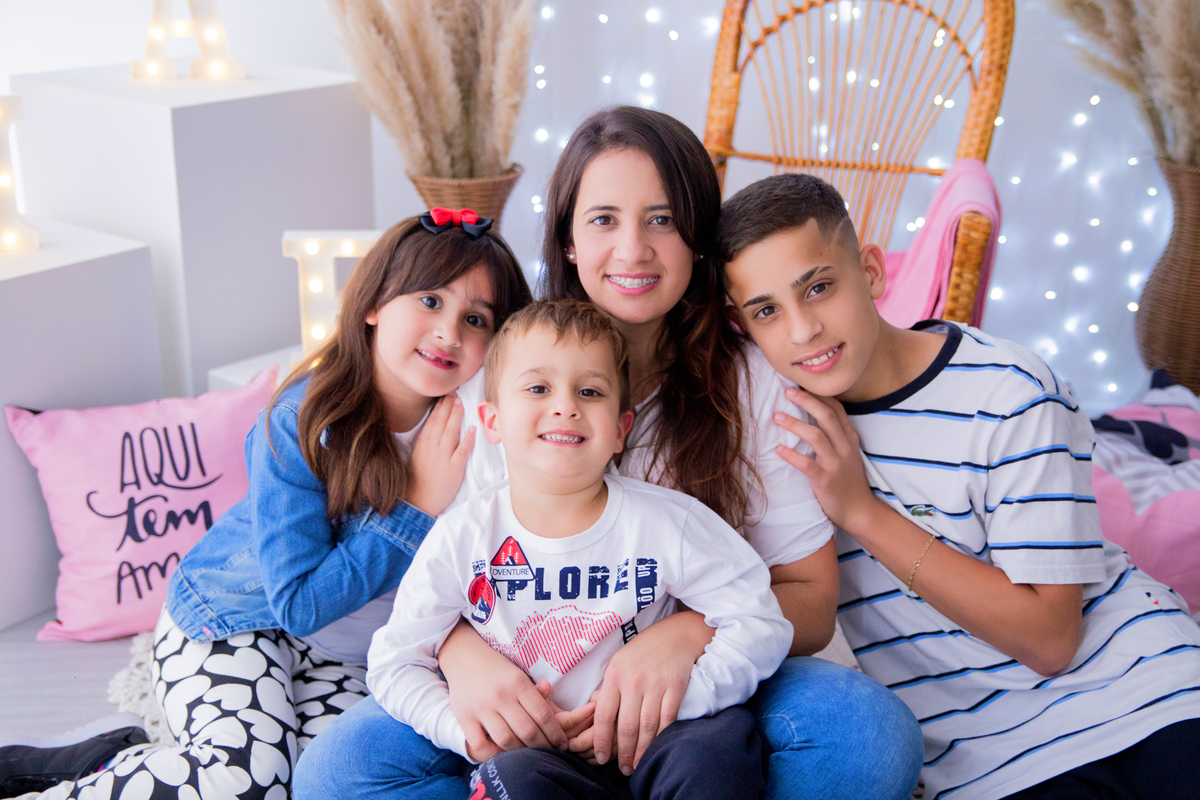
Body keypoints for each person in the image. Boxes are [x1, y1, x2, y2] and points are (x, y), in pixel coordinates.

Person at [295, 107, 922, 800]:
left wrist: (684, 636)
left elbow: (812, 600)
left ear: (698, 239)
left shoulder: (756, 383)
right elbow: (454, 573)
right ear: (567, 241)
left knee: (867, 736)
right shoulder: (505, 372)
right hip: (534, 698)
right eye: (602, 220)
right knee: (337, 773)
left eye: (662, 220)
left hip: (700, 697)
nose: (633, 250)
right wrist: (463, 657)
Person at [0, 211, 531, 800]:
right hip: (240, 618)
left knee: (335, 782)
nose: (449, 332)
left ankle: (116, 755)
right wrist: (414, 509)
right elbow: (299, 604)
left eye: (475, 319)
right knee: (247, 781)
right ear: (374, 303)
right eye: (430, 301)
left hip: (351, 657)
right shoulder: (300, 422)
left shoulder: (479, 425)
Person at [716, 172, 1200, 800]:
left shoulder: (1008, 391)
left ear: (871, 271)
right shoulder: (771, 432)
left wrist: (862, 513)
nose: (803, 329)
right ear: (742, 328)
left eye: (819, 287)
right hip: (986, 764)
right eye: (767, 311)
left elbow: (1051, 640)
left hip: (1144, 695)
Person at [370, 299, 791, 800]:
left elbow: (760, 620)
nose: (566, 406)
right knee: (510, 782)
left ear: (620, 430)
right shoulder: (461, 537)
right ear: (491, 421)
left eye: (589, 391)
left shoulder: (669, 523)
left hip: (663, 739)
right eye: (538, 388)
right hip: (534, 757)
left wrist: (680, 702)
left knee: (717, 751)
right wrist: (463, 731)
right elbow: (395, 661)